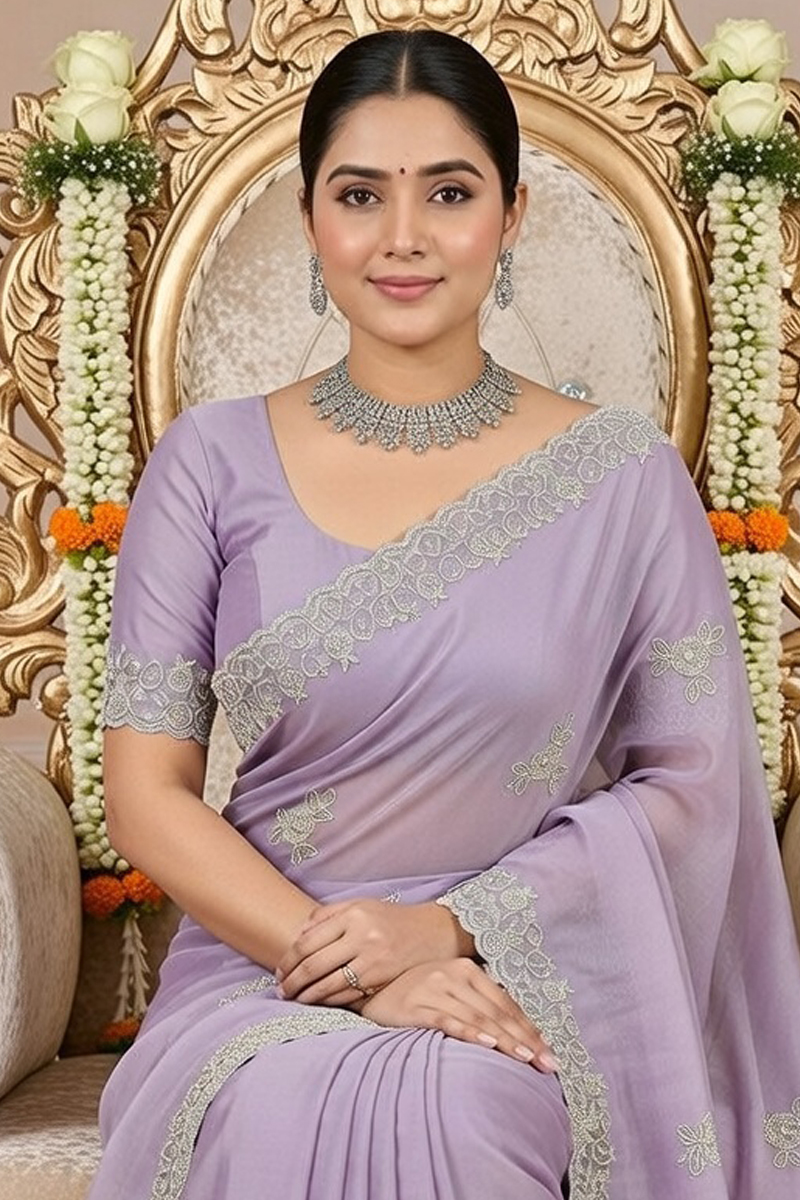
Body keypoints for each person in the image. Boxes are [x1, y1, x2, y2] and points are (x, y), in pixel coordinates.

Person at [88, 28, 800, 1200]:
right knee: (275, 1102)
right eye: (359, 194)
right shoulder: (207, 462)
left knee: (466, 1103)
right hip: (268, 969)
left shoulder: (617, 478)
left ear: (511, 215)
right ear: (310, 219)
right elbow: (145, 794)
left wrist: (453, 929)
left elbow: (692, 785)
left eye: (450, 192)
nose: (403, 236)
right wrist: (360, 969)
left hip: (526, 972)